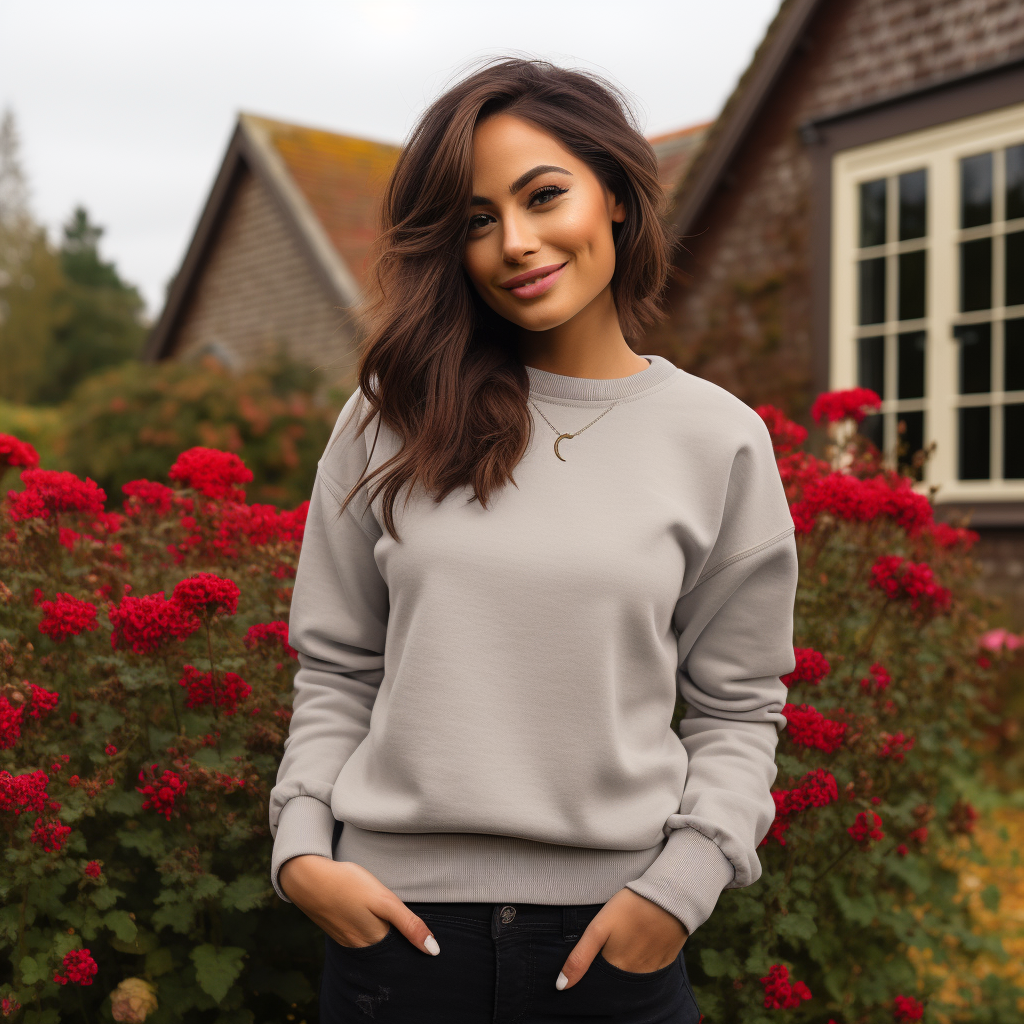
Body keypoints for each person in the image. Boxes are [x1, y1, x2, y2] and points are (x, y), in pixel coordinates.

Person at [268, 57, 798, 1023]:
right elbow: (339, 670)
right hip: (397, 944)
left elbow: (738, 707)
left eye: (543, 195)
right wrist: (304, 848)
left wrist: (680, 890)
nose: (515, 243)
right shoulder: (388, 421)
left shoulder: (718, 438)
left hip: (616, 949)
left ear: (616, 197)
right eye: (475, 222)